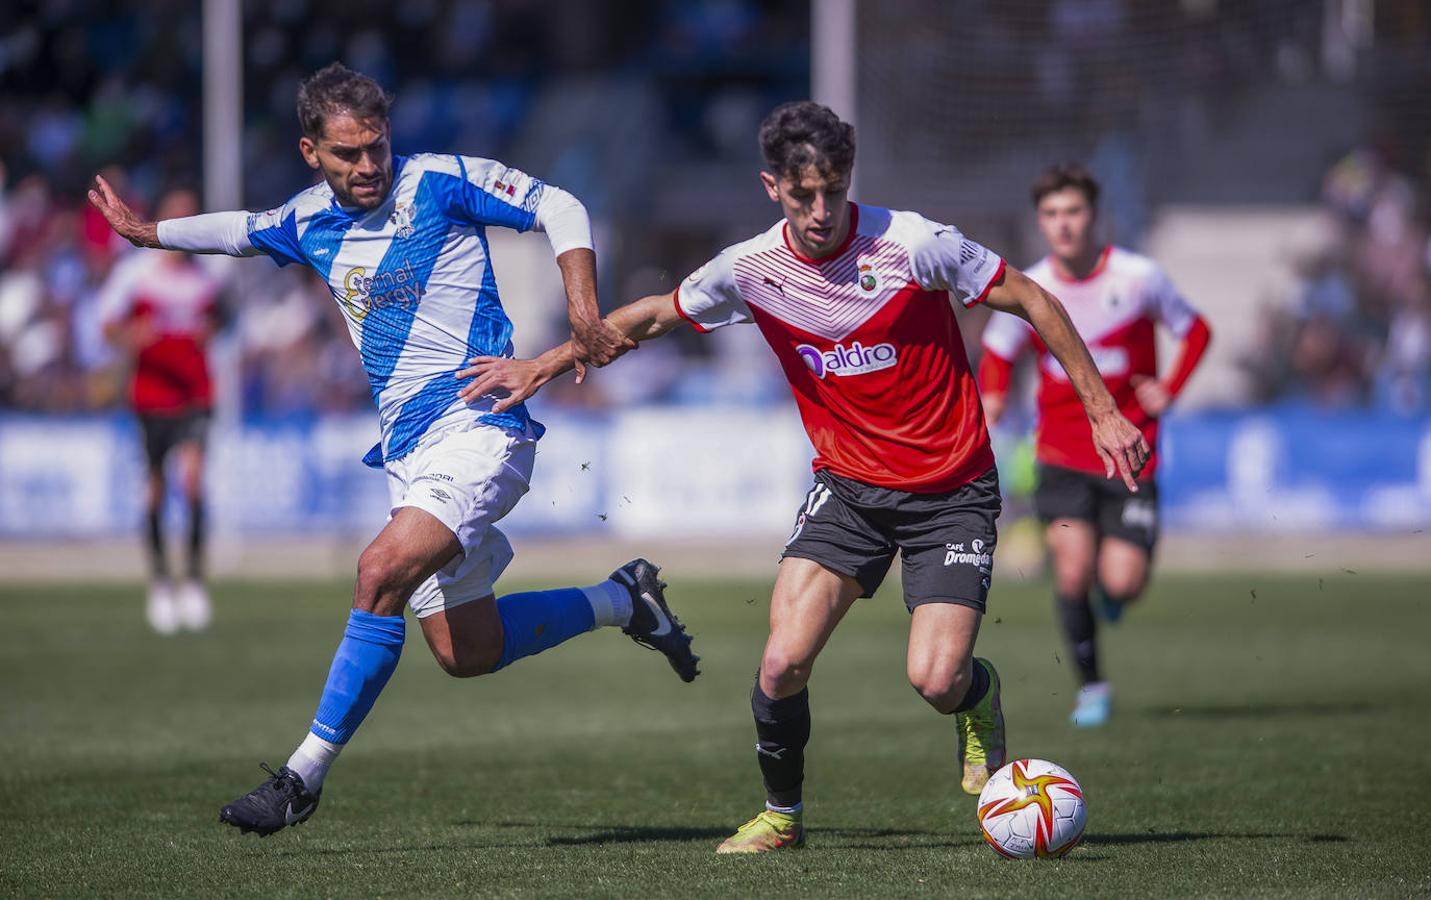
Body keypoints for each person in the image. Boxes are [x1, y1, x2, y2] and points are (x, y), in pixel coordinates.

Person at [457, 103, 1149, 853]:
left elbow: (1033, 298)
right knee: (782, 659)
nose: (821, 212)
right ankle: (781, 817)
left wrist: (1101, 409)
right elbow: (655, 316)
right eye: (802, 195)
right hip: (848, 491)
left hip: (951, 492)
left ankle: (977, 700)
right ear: (770, 186)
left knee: (934, 679)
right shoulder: (749, 268)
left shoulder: (914, 243)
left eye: (835, 190)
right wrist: (546, 362)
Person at [88, 62, 700, 836]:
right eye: (347, 154)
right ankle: (624, 599)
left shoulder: (439, 182)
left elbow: (561, 204)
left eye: (376, 147)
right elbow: (237, 230)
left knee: (377, 571)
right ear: (312, 151)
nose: (369, 165)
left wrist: (582, 311)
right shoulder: (306, 220)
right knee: (464, 650)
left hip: (482, 425)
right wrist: (148, 235)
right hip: (409, 449)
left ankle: (301, 777)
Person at [978, 164, 1211, 728]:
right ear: (1041, 221)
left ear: (1095, 215)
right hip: (1059, 456)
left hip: (1131, 453)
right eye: (1052, 214)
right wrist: (994, 397)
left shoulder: (1137, 278)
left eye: (1073, 212)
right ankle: (1092, 687)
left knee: (1121, 580)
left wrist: (1169, 389)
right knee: (1072, 570)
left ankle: (1115, 594)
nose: (1063, 224)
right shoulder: (1030, 286)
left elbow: (1196, 329)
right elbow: (998, 350)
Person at [98, 187, 222, 634]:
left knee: (191, 483)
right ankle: (159, 583)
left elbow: (221, 320)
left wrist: (211, 332)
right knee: (154, 488)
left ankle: (191, 580)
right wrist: (132, 338)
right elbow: (108, 325)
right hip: (151, 395)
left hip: (196, 393)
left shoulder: (207, 276)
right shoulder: (136, 274)